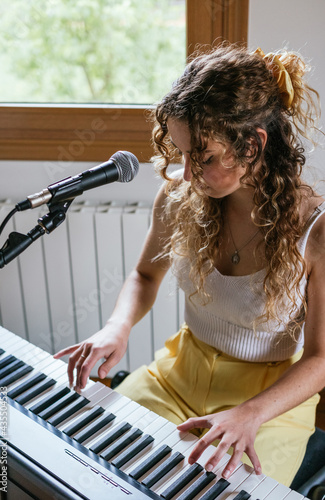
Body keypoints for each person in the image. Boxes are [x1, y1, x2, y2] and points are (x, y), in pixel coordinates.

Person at [54, 44, 325, 487]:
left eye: (203, 157)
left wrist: (249, 415)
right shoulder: (181, 194)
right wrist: (116, 328)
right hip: (180, 375)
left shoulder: (316, 230)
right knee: (90, 458)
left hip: (265, 401)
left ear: (253, 143)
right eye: (181, 154)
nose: (187, 172)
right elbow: (145, 275)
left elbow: (320, 358)